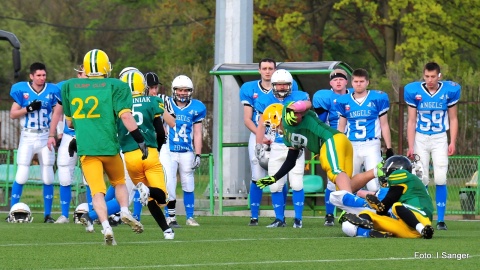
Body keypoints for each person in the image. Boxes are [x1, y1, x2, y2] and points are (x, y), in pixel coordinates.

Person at [61, 49, 146, 245]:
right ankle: (124, 211)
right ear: (105, 66)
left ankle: (106, 227)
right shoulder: (115, 86)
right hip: (109, 147)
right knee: (119, 183)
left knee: (97, 192)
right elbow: (126, 116)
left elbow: (71, 123)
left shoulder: (70, 86)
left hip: (87, 149)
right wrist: (139, 139)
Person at [256, 103, 386, 218]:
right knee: (344, 186)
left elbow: (307, 104)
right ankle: (376, 172)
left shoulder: (290, 116)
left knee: (336, 173)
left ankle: (350, 209)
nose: (271, 128)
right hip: (340, 142)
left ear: (277, 117)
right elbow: (291, 160)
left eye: (270, 124)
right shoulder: (287, 137)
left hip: (329, 140)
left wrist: (293, 109)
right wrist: (275, 177)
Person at [117, 70, 174, 239]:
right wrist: (158, 147)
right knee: (162, 197)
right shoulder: (152, 101)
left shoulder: (118, 105)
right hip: (149, 153)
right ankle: (147, 189)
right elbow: (161, 132)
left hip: (129, 157)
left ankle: (167, 231)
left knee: (149, 198)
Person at [404, 62, 461, 231]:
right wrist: (411, 145)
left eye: (433, 76)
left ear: (439, 76)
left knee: (441, 177)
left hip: (439, 138)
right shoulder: (414, 91)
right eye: (427, 76)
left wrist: (453, 141)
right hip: (421, 138)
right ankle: (425, 215)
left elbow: (453, 119)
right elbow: (412, 121)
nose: (430, 80)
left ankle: (441, 219)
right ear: (423, 75)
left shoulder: (449, 91)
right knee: (422, 178)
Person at [254, 69, 308, 228]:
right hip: (276, 146)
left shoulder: (300, 98)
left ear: (291, 85)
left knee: (297, 182)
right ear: (273, 85)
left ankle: (298, 219)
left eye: (285, 85)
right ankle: (279, 219)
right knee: (275, 184)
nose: (282, 88)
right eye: (279, 85)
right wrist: (259, 144)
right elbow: (261, 125)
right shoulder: (265, 100)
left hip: (295, 145)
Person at [8, 62, 59, 223]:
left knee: (48, 176)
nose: (42, 78)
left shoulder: (52, 91)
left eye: (44, 75)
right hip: (28, 136)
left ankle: (47, 214)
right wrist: (28, 109)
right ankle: (12, 212)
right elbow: (13, 114)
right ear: (31, 76)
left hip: (45, 136)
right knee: (22, 174)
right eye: (38, 75)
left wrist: (53, 134)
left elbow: (57, 113)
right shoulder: (22, 90)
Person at [341, 155, 435, 239]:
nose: (385, 173)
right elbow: (382, 211)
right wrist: (376, 207)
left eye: (386, 170)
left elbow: (390, 200)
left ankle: (422, 229)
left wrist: (377, 205)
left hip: (420, 217)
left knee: (396, 206)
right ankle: (369, 230)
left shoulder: (401, 175)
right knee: (368, 214)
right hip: (408, 229)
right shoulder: (412, 183)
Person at [336, 68, 394, 192]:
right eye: (356, 81)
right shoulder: (344, 101)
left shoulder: (377, 98)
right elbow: (341, 127)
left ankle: (374, 209)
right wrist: (338, 147)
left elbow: (384, 125)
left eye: (361, 81)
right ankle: (352, 210)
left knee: (374, 184)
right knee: (350, 182)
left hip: (371, 144)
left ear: (367, 82)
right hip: (352, 145)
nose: (358, 84)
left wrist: (389, 147)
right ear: (352, 82)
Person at [163, 75, 206, 226]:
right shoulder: (166, 103)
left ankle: (190, 217)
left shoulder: (197, 107)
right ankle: (170, 216)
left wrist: (198, 153)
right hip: (169, 150)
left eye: (186, 90)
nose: (182, 93)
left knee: (189, 184)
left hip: (187, 150)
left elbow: (197, 133)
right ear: (174, 90)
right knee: (169, 184)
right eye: (179, 90)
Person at [46, 65, 87, 223]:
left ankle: (94, 212)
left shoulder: (98, 88)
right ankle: (64, 214)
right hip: (70, 136)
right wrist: (52, 133)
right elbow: (57, 111)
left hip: (88, 135)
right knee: (63, 170)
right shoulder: (66, 86)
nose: (84, 76)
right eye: (82, 73)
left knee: (90, 176)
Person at [312, 68, 350, 226]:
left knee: (353, 176)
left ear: (346, 81)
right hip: (334, 140)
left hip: (354, 140)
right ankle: (329, 214)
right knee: (331, 179)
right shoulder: (325, 97)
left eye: (341, 79)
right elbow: (320, 123)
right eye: (335, 79)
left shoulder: (355, 94)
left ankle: (349, 212)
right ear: (330, 83)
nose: (338, 82)